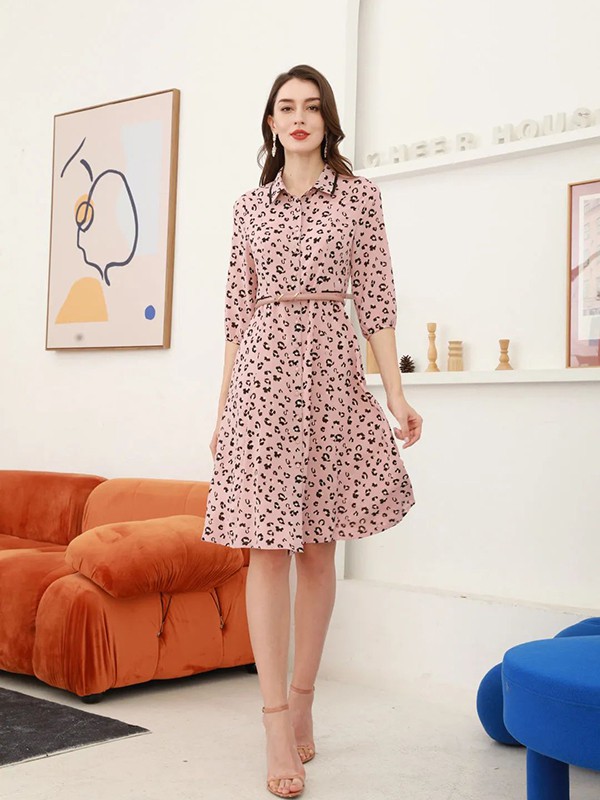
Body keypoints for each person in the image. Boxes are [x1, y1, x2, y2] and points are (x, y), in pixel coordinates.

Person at [201, 64, 422, 798]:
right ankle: (273, 722)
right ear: (271, 123)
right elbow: (236, 313)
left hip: (332, 378)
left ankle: (302, 701)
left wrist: (396, 396)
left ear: (327, 120)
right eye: (286, 107)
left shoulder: (359, 198)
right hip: (262, 384)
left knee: (320, 551)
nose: (299, 117)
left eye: (312, 106)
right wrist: (223, 409)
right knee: (266, 552)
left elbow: (378, 302)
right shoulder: (248, 208)